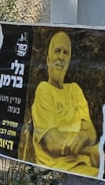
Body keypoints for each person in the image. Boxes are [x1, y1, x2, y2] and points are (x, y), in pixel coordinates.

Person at [30, 31, 100, 173]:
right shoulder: (44, 90)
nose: (61, 57)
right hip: (57, 168)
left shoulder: (75, 90)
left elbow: (91, 132)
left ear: (69, 61)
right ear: (48, 60)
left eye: (65, 53)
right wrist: (90, 150)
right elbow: (54, 143)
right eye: (57, 51)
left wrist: (85, 135)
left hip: (83, 166)